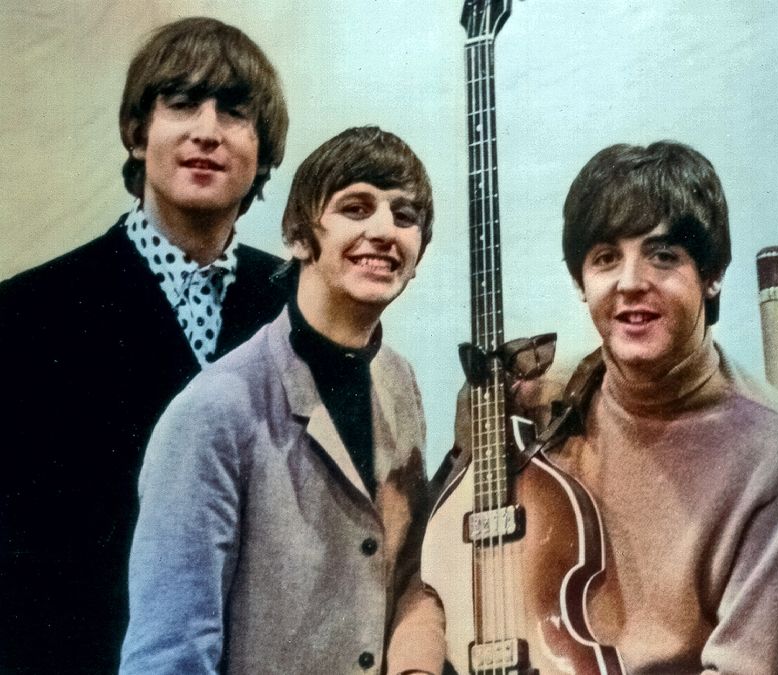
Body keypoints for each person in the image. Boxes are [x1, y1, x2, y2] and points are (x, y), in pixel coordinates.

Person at [0, 17, 289, 671]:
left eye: (236, 112)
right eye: (181, 103)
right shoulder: (25, 315)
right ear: (137, 133)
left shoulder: (300, 305)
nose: (207, 131)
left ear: (263, 148)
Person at [120, 126, 445, 674]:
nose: (384, 231)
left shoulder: (399, 381)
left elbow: (408, 574)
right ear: (297, 237)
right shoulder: (213, 412)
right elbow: (168, 656)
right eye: (356, 208)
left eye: (405, 216)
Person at [542, 141, 778, 672]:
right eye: (605, 259)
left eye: (663, 256)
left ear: (712, 275)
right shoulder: (549, 400)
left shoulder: (775, 455)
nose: (630, 283)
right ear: (581, 282)